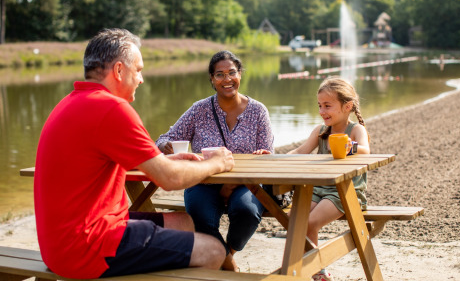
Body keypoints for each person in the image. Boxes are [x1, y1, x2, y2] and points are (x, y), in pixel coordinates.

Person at [34, 28, 234, 279]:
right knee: (214, 251)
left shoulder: (69, 103)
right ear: (119, 71)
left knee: (185, 222)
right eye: (138, 70)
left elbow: (100, 162)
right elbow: (170, 180)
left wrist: (161, 160)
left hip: (60, 245)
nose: (141, 79)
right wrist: (217, 163)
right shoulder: (112, 109)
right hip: (88, 248)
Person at [155, 50, 274, 272]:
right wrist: (164, 146)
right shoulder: (199, 109)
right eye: (220, 74)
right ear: (212, 79)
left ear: (240, 74)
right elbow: (162, 139)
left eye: (232, 73)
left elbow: (268, 155)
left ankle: (225, 255)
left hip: (245, 183)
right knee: (199, 213)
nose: (227, 79)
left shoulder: (258, 111)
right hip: (204, 181)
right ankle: (229, 266)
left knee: (247, 211)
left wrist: (263, 157)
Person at [289, 76, 370, 281]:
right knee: (297, 221)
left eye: (327, 106)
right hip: (319, 189)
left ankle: (317, 270)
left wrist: (347, 147)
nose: (322, 111)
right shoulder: (321, 131)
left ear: (347, 106)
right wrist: (273, 158)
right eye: (319, 106)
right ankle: (302, 267)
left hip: (346, 191)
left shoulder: (355, 130)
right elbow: (301, 150)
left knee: (310, 223)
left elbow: (366, 151)